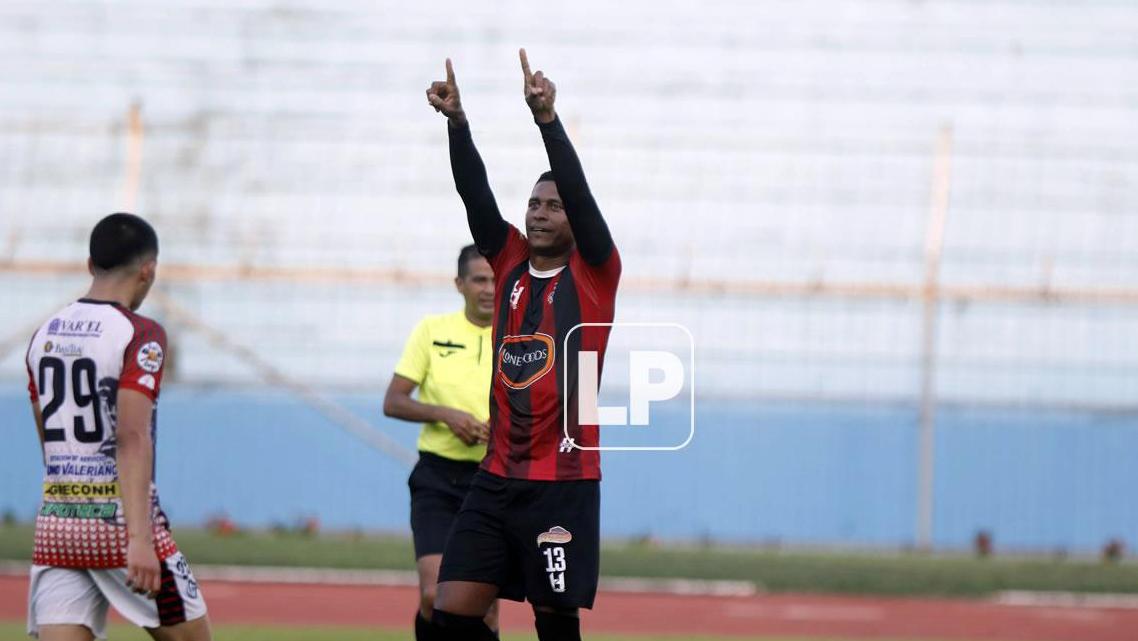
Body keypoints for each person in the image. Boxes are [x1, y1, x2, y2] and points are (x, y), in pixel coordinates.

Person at [423, 49, 621, 641]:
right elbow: (473, 194)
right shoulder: (507, 262)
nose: (538, 214)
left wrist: (547, 121)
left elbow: (582, 198)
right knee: (449, 612)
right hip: (496, 479)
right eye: (534, 203)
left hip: (562, 484)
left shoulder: (594, 275)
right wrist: (458, 124)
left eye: (552, 207)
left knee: (553, 621)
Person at [24, 213, 210, 641]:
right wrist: (139, 538)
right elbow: (131, 435)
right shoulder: (140, 333)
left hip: (59, 524)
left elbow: (48, 444)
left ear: (90, 265)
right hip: (117, 522)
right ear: (148, 270)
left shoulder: (43, 334)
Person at [383, 243, 501, 639]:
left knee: (483, 612)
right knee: (434, 597)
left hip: (494, 481)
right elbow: (393, 401)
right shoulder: (432, 331)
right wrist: (447, 415)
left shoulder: (520, 336)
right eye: (480, 279)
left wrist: (501, 427)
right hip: (438, 478)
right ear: (460, 284)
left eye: (496, 280)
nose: (489, 289)